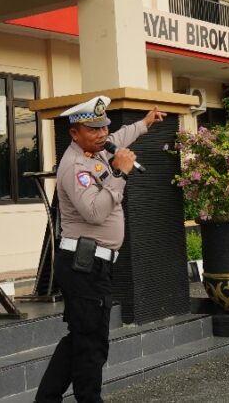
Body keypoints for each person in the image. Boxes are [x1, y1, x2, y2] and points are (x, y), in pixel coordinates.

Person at [35, 95, 165, 403]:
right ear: (74, 134)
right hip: (83, 266)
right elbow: (93, 212)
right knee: (93, 343)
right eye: (93, 130)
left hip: (94, 265)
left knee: (81, 338)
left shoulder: (100, 150)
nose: (103, 134)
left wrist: (145, 122)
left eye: (103, 126)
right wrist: (119, 174)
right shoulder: (74, 166)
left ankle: (46, 399)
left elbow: (120, 137)